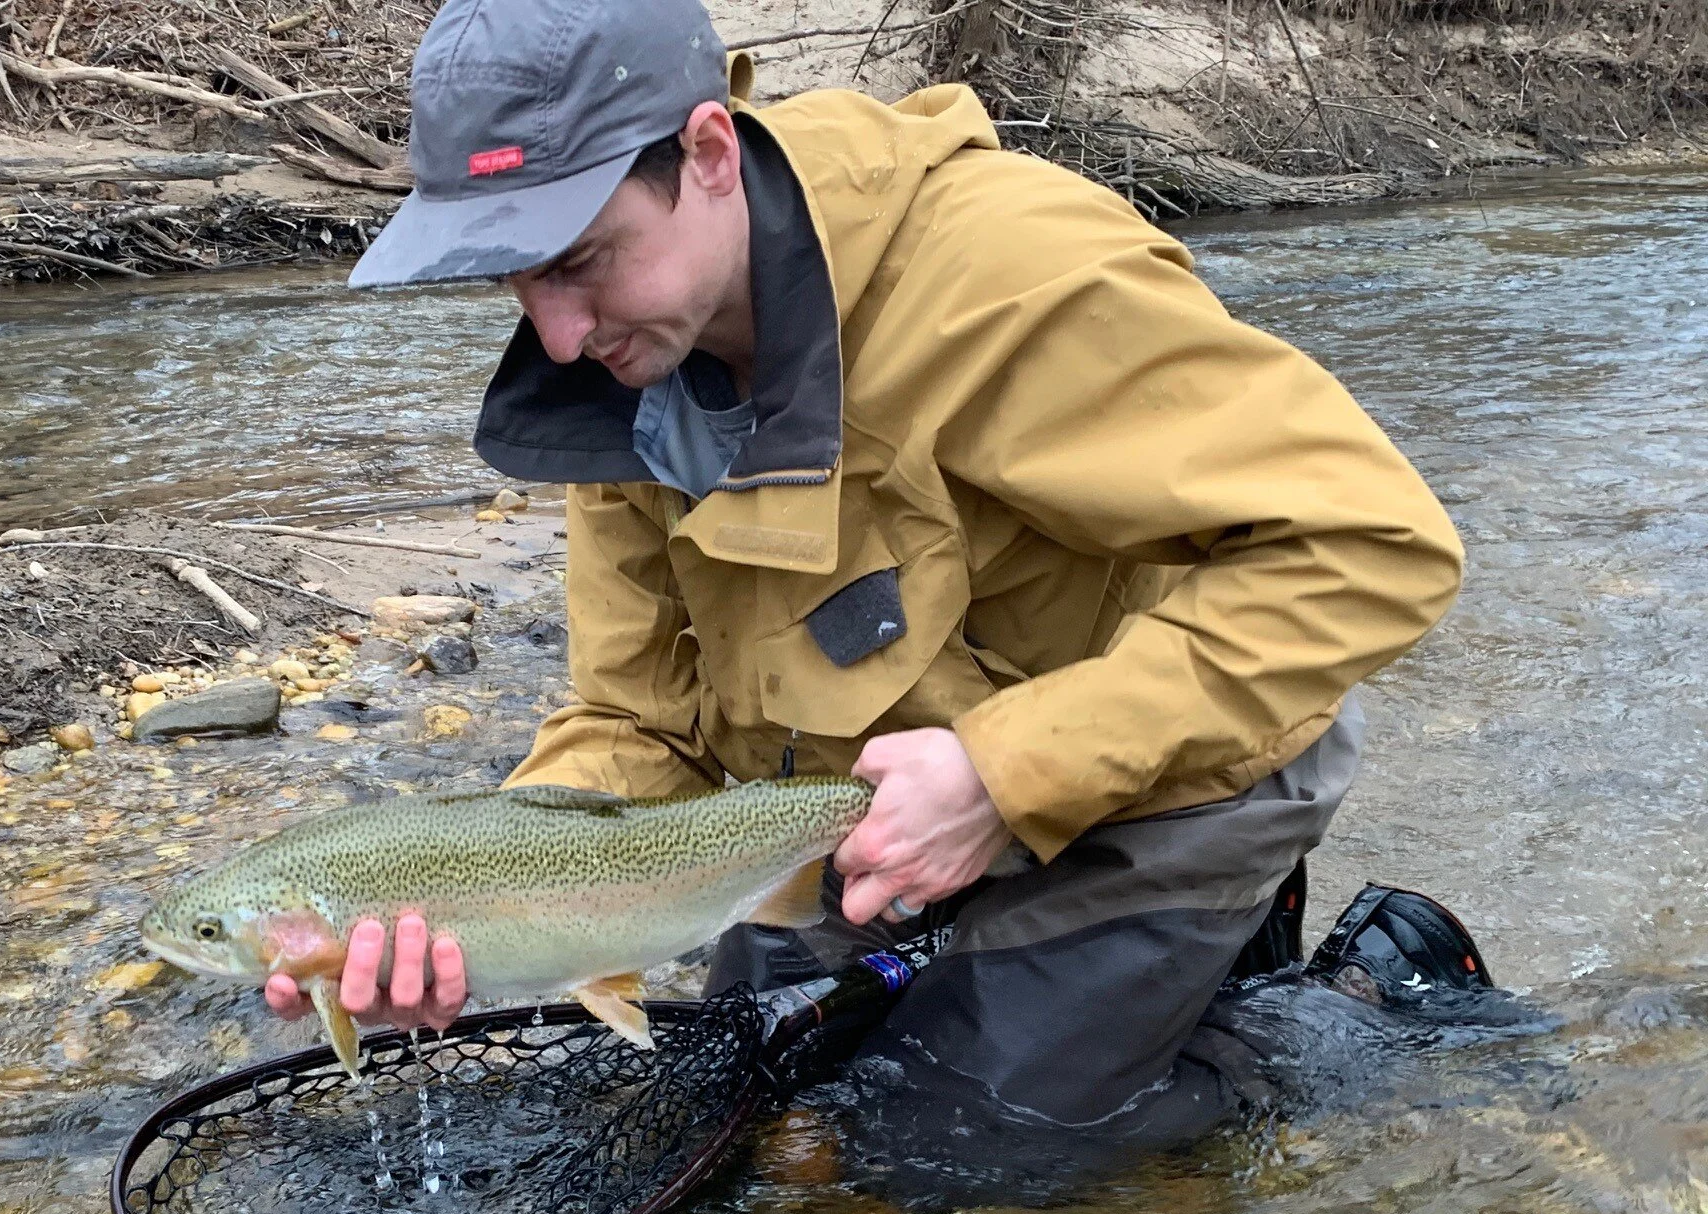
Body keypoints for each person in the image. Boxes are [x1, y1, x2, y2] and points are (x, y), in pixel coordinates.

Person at [264, 0, 1469, 1146]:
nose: (560, 335)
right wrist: (489, 909)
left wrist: (1005, 774)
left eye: (582, 260)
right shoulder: (626, 367)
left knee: (954, 1144)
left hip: (1176, 780)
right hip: (871, 806)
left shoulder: (1013, 280)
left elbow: (1374, 547)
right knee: (773, 1096)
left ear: (710, 152)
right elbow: (638, 723)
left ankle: (1360, 1002)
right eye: (516, 280)